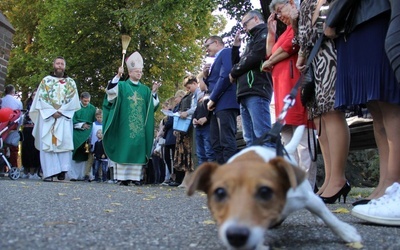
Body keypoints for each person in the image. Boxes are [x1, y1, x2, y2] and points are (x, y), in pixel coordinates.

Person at [324, 0, 400, 224]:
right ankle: (385, 183)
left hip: (370, 15)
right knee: (377, 108)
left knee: (388, 102)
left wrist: (333, 18)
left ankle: (394, 183)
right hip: (356, 21)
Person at [294, 0, 350, 203]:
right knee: (318, 117)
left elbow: (322, 15)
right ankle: (329, 178)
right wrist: (302, 53)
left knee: (330, 110)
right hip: (313, 55)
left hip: (327, 49)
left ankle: (338, 178)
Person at [263, 0, 317, 189]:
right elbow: (271, 54)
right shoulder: (283, 31)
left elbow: (289, 48)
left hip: (296, 88)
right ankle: (291, 185)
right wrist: (271, 32)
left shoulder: (298, 24)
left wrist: (269, 62)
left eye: (280, 10)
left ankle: (307, 185)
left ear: (291, 3)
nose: (279, 15)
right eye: (276, 14)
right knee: (287, 139)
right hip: (281, 93)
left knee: (303, 138)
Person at [103, 52, 160, 186]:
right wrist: (117, 76)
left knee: (137, 150)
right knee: (124, 148)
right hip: (124, 126)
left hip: (139, 127)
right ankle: (123, 178)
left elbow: (152, 107)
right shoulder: (122, 86)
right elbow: (110, 95)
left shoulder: (145, 90)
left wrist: (154, 92)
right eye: (137, 71)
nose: (139, 73)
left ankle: (135, 178)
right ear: (129, 72)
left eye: (141, 71)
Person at [30, 56, 81, 182]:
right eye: (57, 63)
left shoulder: (71, 82)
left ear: (65, 66)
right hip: (48, 118)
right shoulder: (45, 81)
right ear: (54, 65)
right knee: (48, 144)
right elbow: (41, 98)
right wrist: (52, 112)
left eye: (62, 64)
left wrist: (61, 111)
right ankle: (49, 172)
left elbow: (73, 99)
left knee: (64, 143)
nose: (59, 66)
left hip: (64, 117)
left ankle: (62, 171)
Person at [229, 10, 273, 147]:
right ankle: (257, 168)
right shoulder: (252, 40)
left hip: (257, 89)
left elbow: (254, 58)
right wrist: (236, 48)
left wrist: (234, 72)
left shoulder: (265, 33)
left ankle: (271, 167)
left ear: (255, 18)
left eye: (245, 24)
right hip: (244, 93)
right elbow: (239, 63)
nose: (244, 28)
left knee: (263, 135)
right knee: (250, 139)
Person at [203, 36, 239, 164]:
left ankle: (231, 176)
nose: (206, 50)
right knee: (216, 141)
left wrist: (213, 98)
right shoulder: (216, 60)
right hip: (217, 106)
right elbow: (213, 82)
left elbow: (226, 75)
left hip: (225, 102)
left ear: (216, 43)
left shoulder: (226, 52)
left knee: (226, 140)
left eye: (207, 46)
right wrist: (206, 77)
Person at [172, 76, 201, 188]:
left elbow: (196, 107)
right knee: (189, 153)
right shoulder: (191, 96)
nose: (188, 90)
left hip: (191, 127)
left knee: (192, 153)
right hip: (186, 127)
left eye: (189, 87)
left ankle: (190, 179)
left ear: (194, 83)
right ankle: (187, 179)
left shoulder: (195, 95)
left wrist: (187, 113)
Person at [69, 92, 96, 181]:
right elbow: (72, 120)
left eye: (88, 101)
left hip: (88, 132)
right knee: (75, 153)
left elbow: (95, 121)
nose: (86, 103)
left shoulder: (92, 108)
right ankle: (73, 175)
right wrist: (81, 125)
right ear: (81, 99)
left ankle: (85, 174)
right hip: (76, 133)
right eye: (85, 101)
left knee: (86, 154)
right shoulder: (75, 107)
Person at [160, 91, 185, 186]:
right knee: (169, 157)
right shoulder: (175, 108)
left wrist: (165, 125)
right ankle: (173, 176)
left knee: (174, 157)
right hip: (170, 136)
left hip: (173, 136)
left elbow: (172, 121)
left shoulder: (179, 108)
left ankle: (177, 177)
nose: (176, 99)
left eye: (177, 97)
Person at [192, 76, 215, 166]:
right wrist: (194, 118)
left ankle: (211, 175)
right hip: (199, 128)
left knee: (209, 152)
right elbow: (196, 111)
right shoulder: (201, 97)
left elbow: (212, 110)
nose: (199, 85)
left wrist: (206, 118)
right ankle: (203, 176)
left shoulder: (211, 94)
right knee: (200, 154)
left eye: (200, 82)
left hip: (207, 127)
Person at [20, 90, 41, 180]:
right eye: (33, 95)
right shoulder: (27, 106)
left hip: (36, 130)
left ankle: (34, 171)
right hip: (27, 129)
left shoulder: (40, 106)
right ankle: (26, 169)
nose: (34, 96)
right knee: (25, 149)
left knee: (34, 150)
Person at [1, 84, 23, 169]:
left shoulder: (2, 101)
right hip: (12, 126)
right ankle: (14, 165)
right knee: (13, 147)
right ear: (13, 92)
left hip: (2, 127)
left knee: (3, 146)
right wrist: (18, 127)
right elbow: (20, 117)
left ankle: (3, 166)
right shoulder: (17, 102)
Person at [85, 108, 103, 181]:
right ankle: (87, 174)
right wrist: (89, 143)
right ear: (96, 117)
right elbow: (90, 134)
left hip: (101, 146)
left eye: (100, 117)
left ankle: (99, 176)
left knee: (100, 161)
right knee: (90, 161)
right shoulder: (93, 124)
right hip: (93, 145)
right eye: (98, 117)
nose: (99, 119)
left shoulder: (104, 125)